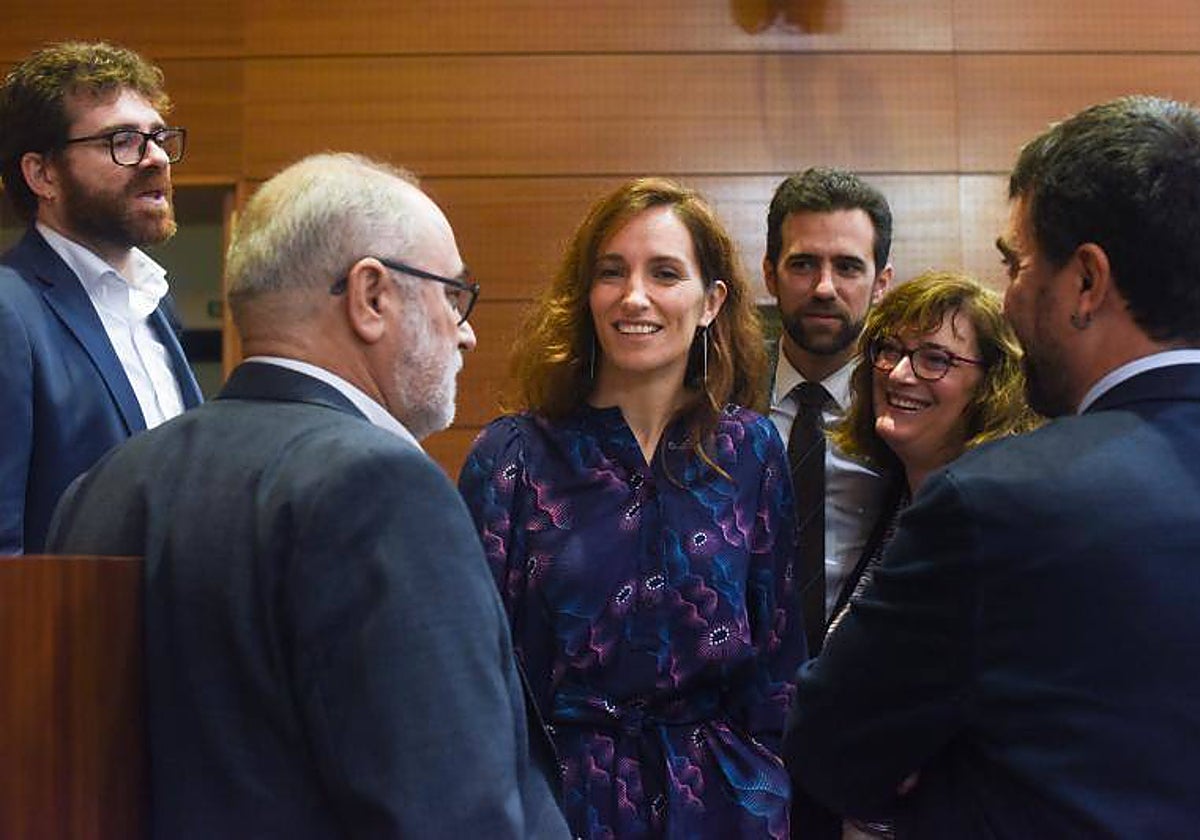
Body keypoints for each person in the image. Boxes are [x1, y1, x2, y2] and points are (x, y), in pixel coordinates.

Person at [47, 153, 569, 839]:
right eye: (452, 293)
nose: (465, 329)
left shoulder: (102, 486)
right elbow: (451, 813)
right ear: (372, 297)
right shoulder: (383, 490)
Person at [784, 95, 1200, 837]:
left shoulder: (998, 501)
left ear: (1086, 282)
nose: (1009, 297)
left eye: (1018, 264)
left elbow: (832, 749)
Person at [459, 177, 804, 839]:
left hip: (721, 810)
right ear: (586, 297)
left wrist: (768, 790)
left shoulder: (752, 450)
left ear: (711, 302)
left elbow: (777, 663)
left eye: (665, 273)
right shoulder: (514, 456)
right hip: (555, 808)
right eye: (611, 272)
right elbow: (473, 672)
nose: (634, 296)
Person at [0, 41, 203, 555]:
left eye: (158, 138)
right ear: (42, 174)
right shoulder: (10, 311)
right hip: (64, 632)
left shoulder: (155, 306)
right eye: (123, 140)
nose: (155, 157)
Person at [762, 168, 894, 657]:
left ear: (881, 283)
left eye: (848, 267)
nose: (823, 287)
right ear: (769, 273)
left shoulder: (915, 410)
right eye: (802, 265)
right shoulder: (715, 398)